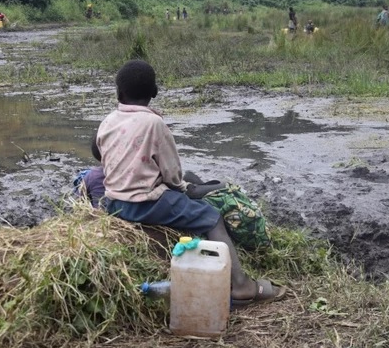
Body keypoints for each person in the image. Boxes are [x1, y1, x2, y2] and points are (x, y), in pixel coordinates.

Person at [96, 60, 284, 306]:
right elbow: (173, 175)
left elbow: (105, 159)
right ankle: (242, 286)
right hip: (144, 203)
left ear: (119, 93)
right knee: (210, 216)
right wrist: (185, 189)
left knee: (189, 206)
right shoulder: (155, 124)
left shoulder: (108, 121)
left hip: (114, 203)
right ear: (154, 93)